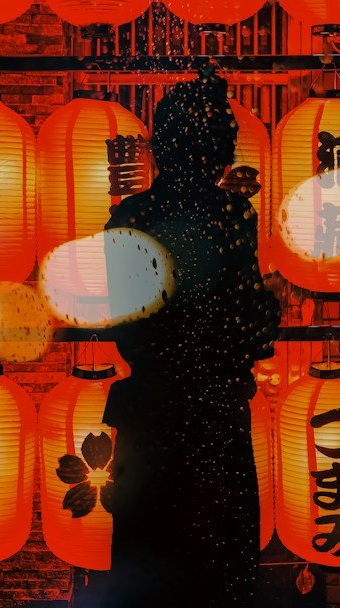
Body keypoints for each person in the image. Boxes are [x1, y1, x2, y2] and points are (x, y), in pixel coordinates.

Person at [100, 69, 281, 607]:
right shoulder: (229, 215)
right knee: (217, 575)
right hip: (214, 421)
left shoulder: (131, 216)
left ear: (162, 147)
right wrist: (267, 310)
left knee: (148, 572)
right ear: (215, 152)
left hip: (150, 420)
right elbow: (248, 320)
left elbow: (123, 322)